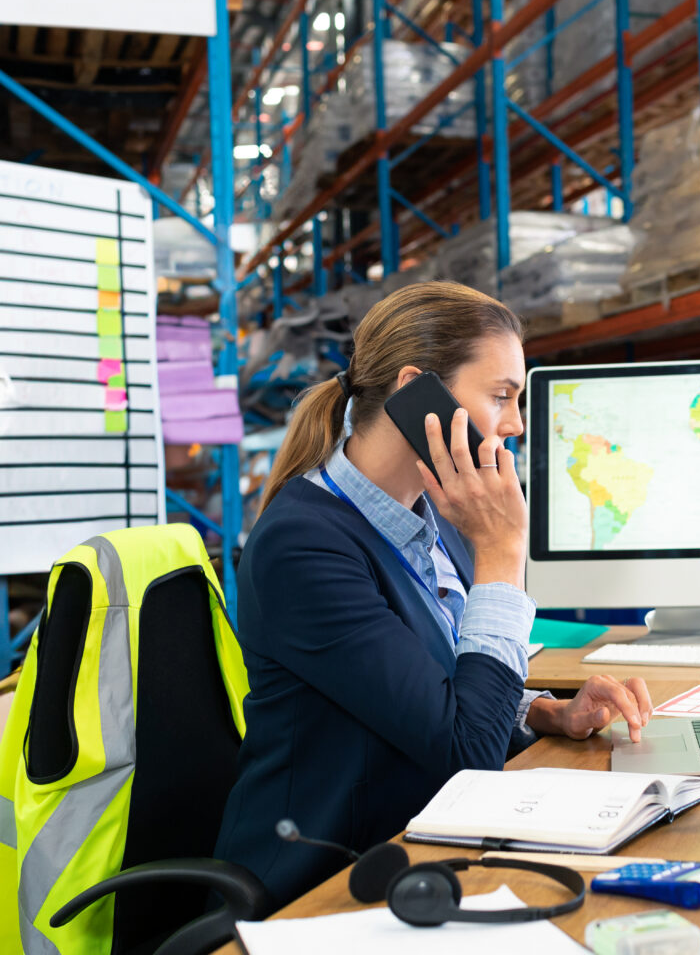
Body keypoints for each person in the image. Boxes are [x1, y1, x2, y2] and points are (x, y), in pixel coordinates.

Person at [215, 282, 652, 909]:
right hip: (327, 885)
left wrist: (536, 711)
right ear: (416, 390)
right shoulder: (303, 545)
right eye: (501, 396)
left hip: (416, 847)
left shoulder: (429, 512)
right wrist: (503, 557)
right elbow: (464, 751)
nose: (517, 423)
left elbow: (432, 684)